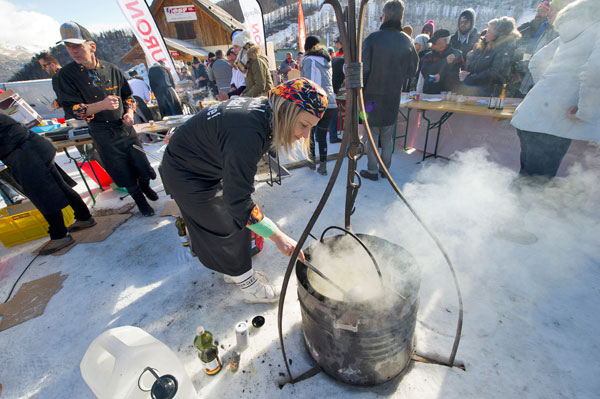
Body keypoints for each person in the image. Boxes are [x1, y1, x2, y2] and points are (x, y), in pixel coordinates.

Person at [159, 78, 327, 303]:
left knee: (233, 221)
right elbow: (238, 201)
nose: (306, 135)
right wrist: (278, 237)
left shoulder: (263, 112)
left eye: (311, 128)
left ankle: (234, 272)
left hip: (202, 164)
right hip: (186, 173)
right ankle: (245, 281)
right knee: (227, 223)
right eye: (304, 125)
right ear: (285, 110)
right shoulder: (248, 131)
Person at [55, 21, 158, 217]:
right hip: (102, 131)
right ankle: (140, 200)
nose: (73, 51)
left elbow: (128, 97)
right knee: (122, 172)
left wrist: (129, 113)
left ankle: (145, 186)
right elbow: (72, 110)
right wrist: (100, 105)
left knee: (142, 166)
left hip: (124, 128)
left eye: (77, 46)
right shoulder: (65, 76)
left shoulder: (112, 69)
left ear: (91, 46)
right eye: (68, 47)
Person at [511, 0, 599, 179]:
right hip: (555, 120)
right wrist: (586, 110)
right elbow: (595, 71)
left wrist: (548, 89)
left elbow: (536, 62)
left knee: (526, 181)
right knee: (535, 186)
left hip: (533, 113)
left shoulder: (568, 34)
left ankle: (506, 207)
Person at [0, 113, 96, 255]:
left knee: (43, 195)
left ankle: (60, 236)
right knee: (59, 186)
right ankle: (84, 217)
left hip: (25, 154)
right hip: (35, 146)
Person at [359, 0, 418, 181]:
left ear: (384, 16)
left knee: (371, 135)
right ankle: (385, 169)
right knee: (387, 135)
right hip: (392, 97)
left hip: (370, 99)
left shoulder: (372, 39)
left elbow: (364, 70)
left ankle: (372, 170)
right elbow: (412, 71)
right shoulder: (407, 41)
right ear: (401, 17)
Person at [300, 36, 338, 175]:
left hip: (316, 103)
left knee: (309, 133)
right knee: (322, 136)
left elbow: (308, 83)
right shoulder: (327, 60)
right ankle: (323, 165)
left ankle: (311, 161)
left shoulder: (308, 60)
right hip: (330, 104)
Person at [460, 17, 521, 96]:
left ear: (498, 34)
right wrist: (467, 73)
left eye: (489, 31)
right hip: (476, 89)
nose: (486, 34)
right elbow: (475, 66)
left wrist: (471, 78)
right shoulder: (483, 45)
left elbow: (496, 72)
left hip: (491, 92)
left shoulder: (504, 49)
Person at [516, 0, 559, 96]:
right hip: (527, 74)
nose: (540, 14)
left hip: (541, 81)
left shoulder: (554, 31)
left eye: (545, 11)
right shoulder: (541, 27)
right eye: (538, 11)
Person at [420, 29, 464, 94]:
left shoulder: (457, 54)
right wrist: (444, 61)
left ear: (445, 42)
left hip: (449, 93)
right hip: (430, 93)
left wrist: (441, 77)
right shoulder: (428, 56)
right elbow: (425, 72)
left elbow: (458, 76)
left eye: (434, 43)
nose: (432, 46)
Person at [232, 31, 274, 97]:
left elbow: (260, 86)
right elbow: (250, 86)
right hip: (257, 98)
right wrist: (242, 94)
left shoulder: (256, 61)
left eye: (236, 47)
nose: (234, 50)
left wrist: (245, 97)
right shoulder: (247, 62)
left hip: (265, 98)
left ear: (244, 47)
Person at [329, 46, 345, 144]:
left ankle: (318, 136)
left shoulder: (335, 61)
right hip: (331, 91)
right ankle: (333, 137)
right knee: (334, 115)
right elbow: (346, 81)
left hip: (326, 89)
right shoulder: (344, 64)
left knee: (325, 115)